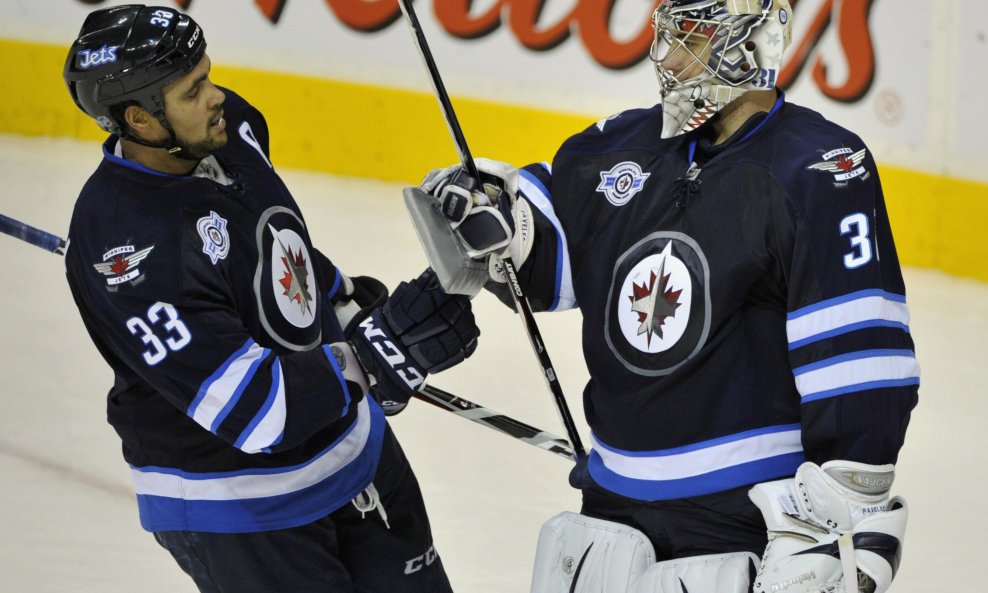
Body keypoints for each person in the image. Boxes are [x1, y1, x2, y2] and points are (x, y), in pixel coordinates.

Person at [412, 1, 918, 592]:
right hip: (610, 511)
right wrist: (492, 218)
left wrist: (839, 513)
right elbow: (549, 263)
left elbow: (860, 369)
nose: (668, 58)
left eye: (694, 40)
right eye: (668, 37)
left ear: (752, 44)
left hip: (742, 520)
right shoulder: (617, 147)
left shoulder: (816, 168)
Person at [61, 5, 479, 593]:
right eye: (193, 90)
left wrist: (338, 292)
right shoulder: (128, 254)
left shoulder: (232, 128)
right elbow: (252, 410)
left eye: (207, 75)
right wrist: (374, 356)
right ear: (141, 119)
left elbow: (266, 235)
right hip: (240, 505)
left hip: (349, 446)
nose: (216, 97)